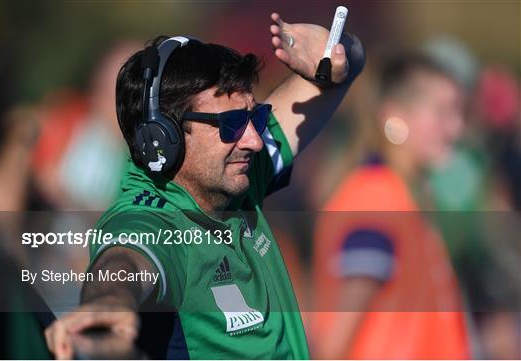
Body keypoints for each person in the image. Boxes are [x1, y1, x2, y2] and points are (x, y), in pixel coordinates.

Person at [44, 13, 365, 359]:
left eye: (255, 117)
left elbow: (349, 60)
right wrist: (107, 303)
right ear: (164, 138)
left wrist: (337, 53)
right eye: (232, 124)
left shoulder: (236, 172)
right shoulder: (153, 221)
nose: (255, 140)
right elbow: (124, 261)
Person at [310, 53, 471, 359]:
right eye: (442, 112)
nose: (456, 128)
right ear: (394, 117)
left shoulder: (397, 195)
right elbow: (336, 338)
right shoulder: (377, 197)